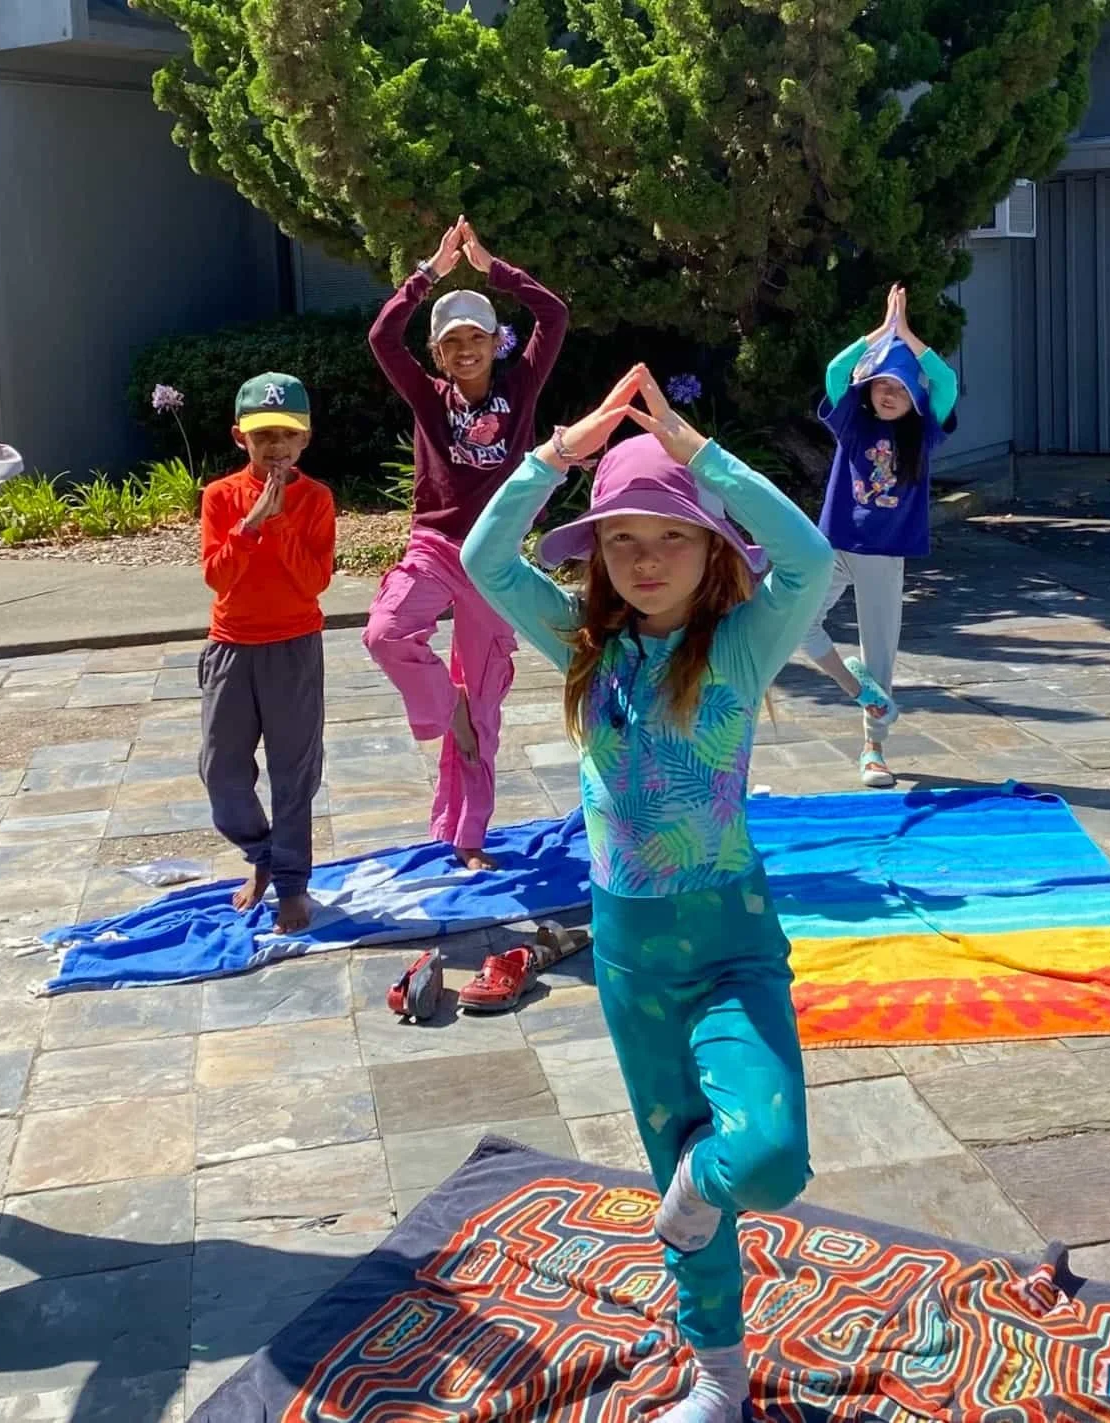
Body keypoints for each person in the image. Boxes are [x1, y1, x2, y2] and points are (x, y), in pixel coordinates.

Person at [462, 365, 834, 1423]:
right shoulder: (586, 646)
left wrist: (698, 454)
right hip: (628, 959)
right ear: (596, 559)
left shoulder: (739, 643)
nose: (646, 558)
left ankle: (693, 1197)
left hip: (730, 943)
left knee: (760, 1159)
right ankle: (718, 1374)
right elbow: (484, 557)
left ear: (713, 548)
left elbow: (810, 558)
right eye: (621, 540)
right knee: (670, 1141)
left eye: (671, 535)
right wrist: (558, 456)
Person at [365, 216, 569, 870]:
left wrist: (491, 269)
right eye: (452, 342)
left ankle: (467, 835)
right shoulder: (430, 399)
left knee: (482, 708)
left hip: (495, 559)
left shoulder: (521, 385)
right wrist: (429, 272)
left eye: (475, 337)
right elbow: (381, 336)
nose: (465, 349)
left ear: (494, 342)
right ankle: (439, 701)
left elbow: (554, 314)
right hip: (434, 546)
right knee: (386, 631)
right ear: (439, 354)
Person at [803, 283, 958, 788]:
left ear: (915, 397)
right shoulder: (851, 423)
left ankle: (873, 749)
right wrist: (879, 333)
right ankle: (858, 688)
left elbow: (946, 381)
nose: (889, 393)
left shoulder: (923, 434)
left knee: (880, 650)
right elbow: (833, 373)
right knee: (798, 624)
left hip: (883, 557)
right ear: (867, 389)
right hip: (834, 545)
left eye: (900, 387)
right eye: (881, 385)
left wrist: (907, 334)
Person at [197, 373, 336, 935]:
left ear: (304, 439)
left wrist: (279, 527)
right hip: (232, 647)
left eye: (287, 434)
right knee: (221, 769)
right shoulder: (220, 496)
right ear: (240, 438)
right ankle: (261, 855)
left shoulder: (317, 499)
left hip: (293, 647)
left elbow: (313, 584)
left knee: (293, 771)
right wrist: (252, 525)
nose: (275, 446)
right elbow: (217, 577)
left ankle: (292, 884)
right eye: (262, 435)